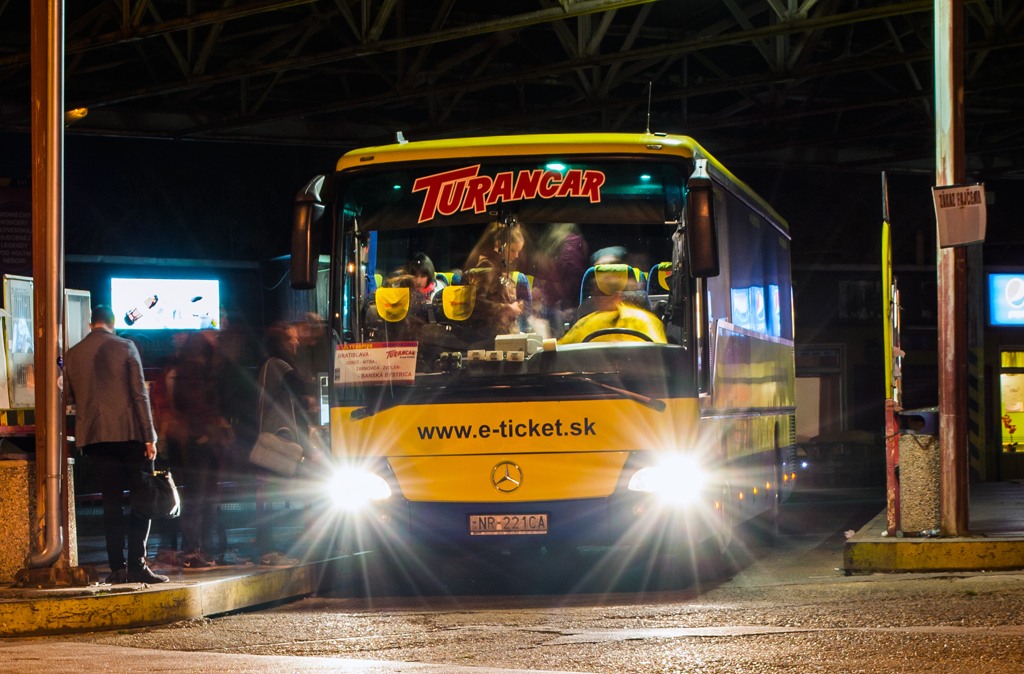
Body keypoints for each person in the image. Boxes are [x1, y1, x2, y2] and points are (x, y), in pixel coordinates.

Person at [63, 305, 168, 584]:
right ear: (112, 323)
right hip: (130, 435)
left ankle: (117, 568)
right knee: (141, 499)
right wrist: (150, 436)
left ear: (90, 324)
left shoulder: (73, 354)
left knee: (111, 503)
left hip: (96, 438)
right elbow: (139, 394)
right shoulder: (126, 347)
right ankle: (137, 564)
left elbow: (68, 396)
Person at [253, 321, 318, 562]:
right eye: (291, 338)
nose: (296, 342)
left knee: (277, 493)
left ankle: (277, 545)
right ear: (280, 342)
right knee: (270, 494)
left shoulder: (278, 365)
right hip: (277, 441)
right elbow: (301, 386)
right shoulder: (276, 364)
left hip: (285, 441)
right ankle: (266, 548)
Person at [172, 330, 234, 569]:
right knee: (202, 498)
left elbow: (184, 402)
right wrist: (208, 429)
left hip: (201, 438)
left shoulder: (190, 370)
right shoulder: (197, 371)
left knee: (200, 498)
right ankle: (196, 550)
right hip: (202, 438)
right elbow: (195, 403)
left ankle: (199, 549)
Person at [462, 222, 531, 336]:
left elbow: (497, 297)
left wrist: (515, 304)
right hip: (488, 335)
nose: (516, 256)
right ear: (499, 245)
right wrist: (507, 308)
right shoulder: (487, 266)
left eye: (518, 251)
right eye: (513, 250)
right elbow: (476, 303)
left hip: (499, 333)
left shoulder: (500, 267)